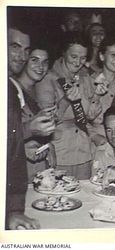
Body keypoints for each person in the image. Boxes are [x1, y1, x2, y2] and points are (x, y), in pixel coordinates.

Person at [35, 32, 103, 179]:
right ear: (63, 53)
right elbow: (46, 122)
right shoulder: (48, 79)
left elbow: (89, 116)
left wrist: (97, 95)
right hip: (60, 152)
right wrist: (66, 100)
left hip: (84, 152)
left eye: (83, 58)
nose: (78, 62)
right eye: (73, 56)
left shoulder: (85, 77)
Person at [7, 25, 41, 230]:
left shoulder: (9, 87)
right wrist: (29, 129)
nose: (22, 56)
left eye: (26, 50)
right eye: (15, 47)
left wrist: (12, 210)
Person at [17, 42, 57, 182]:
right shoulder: (13, 90)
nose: (40, 67)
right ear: (24, 60)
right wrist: (22, 148)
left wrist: (48, 145)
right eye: (34, 60)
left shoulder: (38, 90)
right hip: (20, 169)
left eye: (45, 62)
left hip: (39, 168)